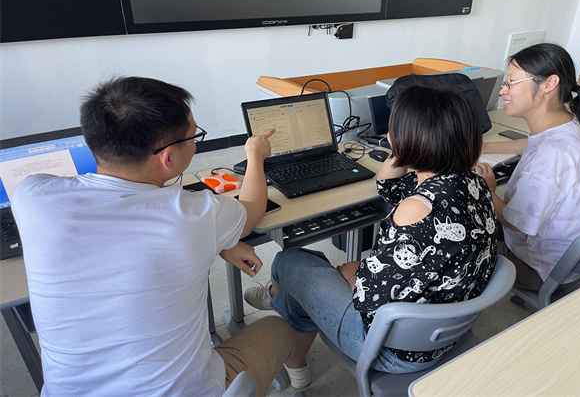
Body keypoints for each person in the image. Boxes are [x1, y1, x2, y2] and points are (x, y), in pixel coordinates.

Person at [11, 76, 294, 396]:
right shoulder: (198, 214)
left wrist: (218, 242)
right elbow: (252, 209)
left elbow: (113, 229)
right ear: (168, 158)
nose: (196, 142)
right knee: (278, 328)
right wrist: (255, 154)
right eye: (194, 136)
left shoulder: (31, 196)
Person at [244, 85, 498, 388]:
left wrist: (355, 275)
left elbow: (372, 299)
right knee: (309, 278)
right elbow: (388, 187)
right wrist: (404, 150)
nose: (388, 135)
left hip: (394, 348)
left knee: (289, 261)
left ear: (411, 138)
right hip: (444, 330)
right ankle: (289, 328)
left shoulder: (416, 210)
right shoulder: (474, 183)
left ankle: (279, 302)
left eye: (394, 129)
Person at [474, 42, 580, 291]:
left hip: (540, 268)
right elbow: (532, 144)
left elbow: (516, 222)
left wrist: (489, 190)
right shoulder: (572, 124)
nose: (503, 91)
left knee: (462, 230)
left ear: (549, 84)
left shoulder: (550, 157)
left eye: (511, 83)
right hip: (570, 258)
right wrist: (486, 147)